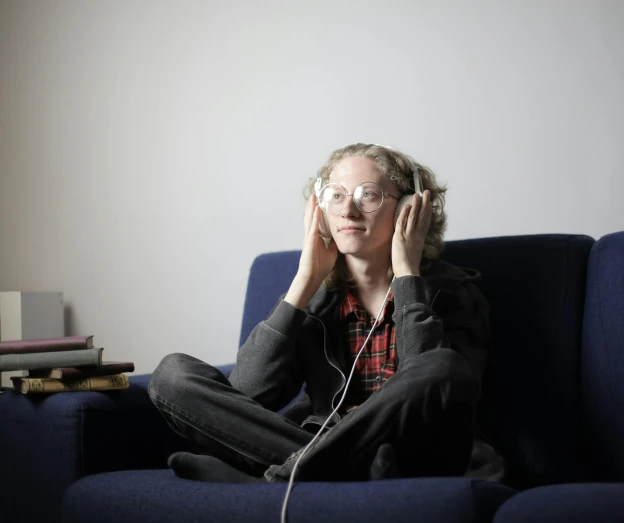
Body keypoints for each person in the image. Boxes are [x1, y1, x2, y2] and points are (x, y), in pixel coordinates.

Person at [147, 143, 505, 483]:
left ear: (408, 207)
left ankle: (276, 478)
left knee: (441, 365)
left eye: (368, 194)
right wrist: (305, 280)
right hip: (347, 453)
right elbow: (248, 396)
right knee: (171, 376)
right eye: (335, 195)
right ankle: (342, 472)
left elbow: (442, 398)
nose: (348, 211)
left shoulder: (454, 294)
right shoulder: (317, 302)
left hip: (414, 454)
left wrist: (408, 276)